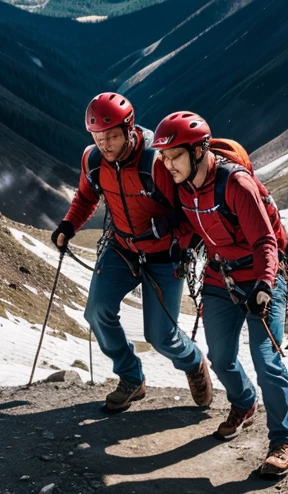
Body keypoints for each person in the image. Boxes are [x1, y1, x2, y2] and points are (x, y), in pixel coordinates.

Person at [152, 111, 288, 477]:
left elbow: (266, 240)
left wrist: (265, 284)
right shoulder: (183, 185)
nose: (168, 165)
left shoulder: (236, 184)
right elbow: (194, 221)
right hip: (221, 276)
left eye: (174, 156)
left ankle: (283, 440)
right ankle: (244, 403)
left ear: (199, 150)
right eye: (165, 158)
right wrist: (181, 244)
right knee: (219, 355)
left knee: (266, 358)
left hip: (262, 278)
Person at [51, 92, 212, 414]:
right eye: (98, 137)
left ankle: (193, 363)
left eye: (112, 136)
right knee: (96, 312)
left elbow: (191, 210)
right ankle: (131, 378)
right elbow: (85, 198)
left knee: (161, 335)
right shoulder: (92, 160)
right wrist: (68, 227)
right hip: (121, 247)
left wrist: (171, 233)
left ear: (130, 128)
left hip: (164, 256)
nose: (105, 145)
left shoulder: (157, 162)